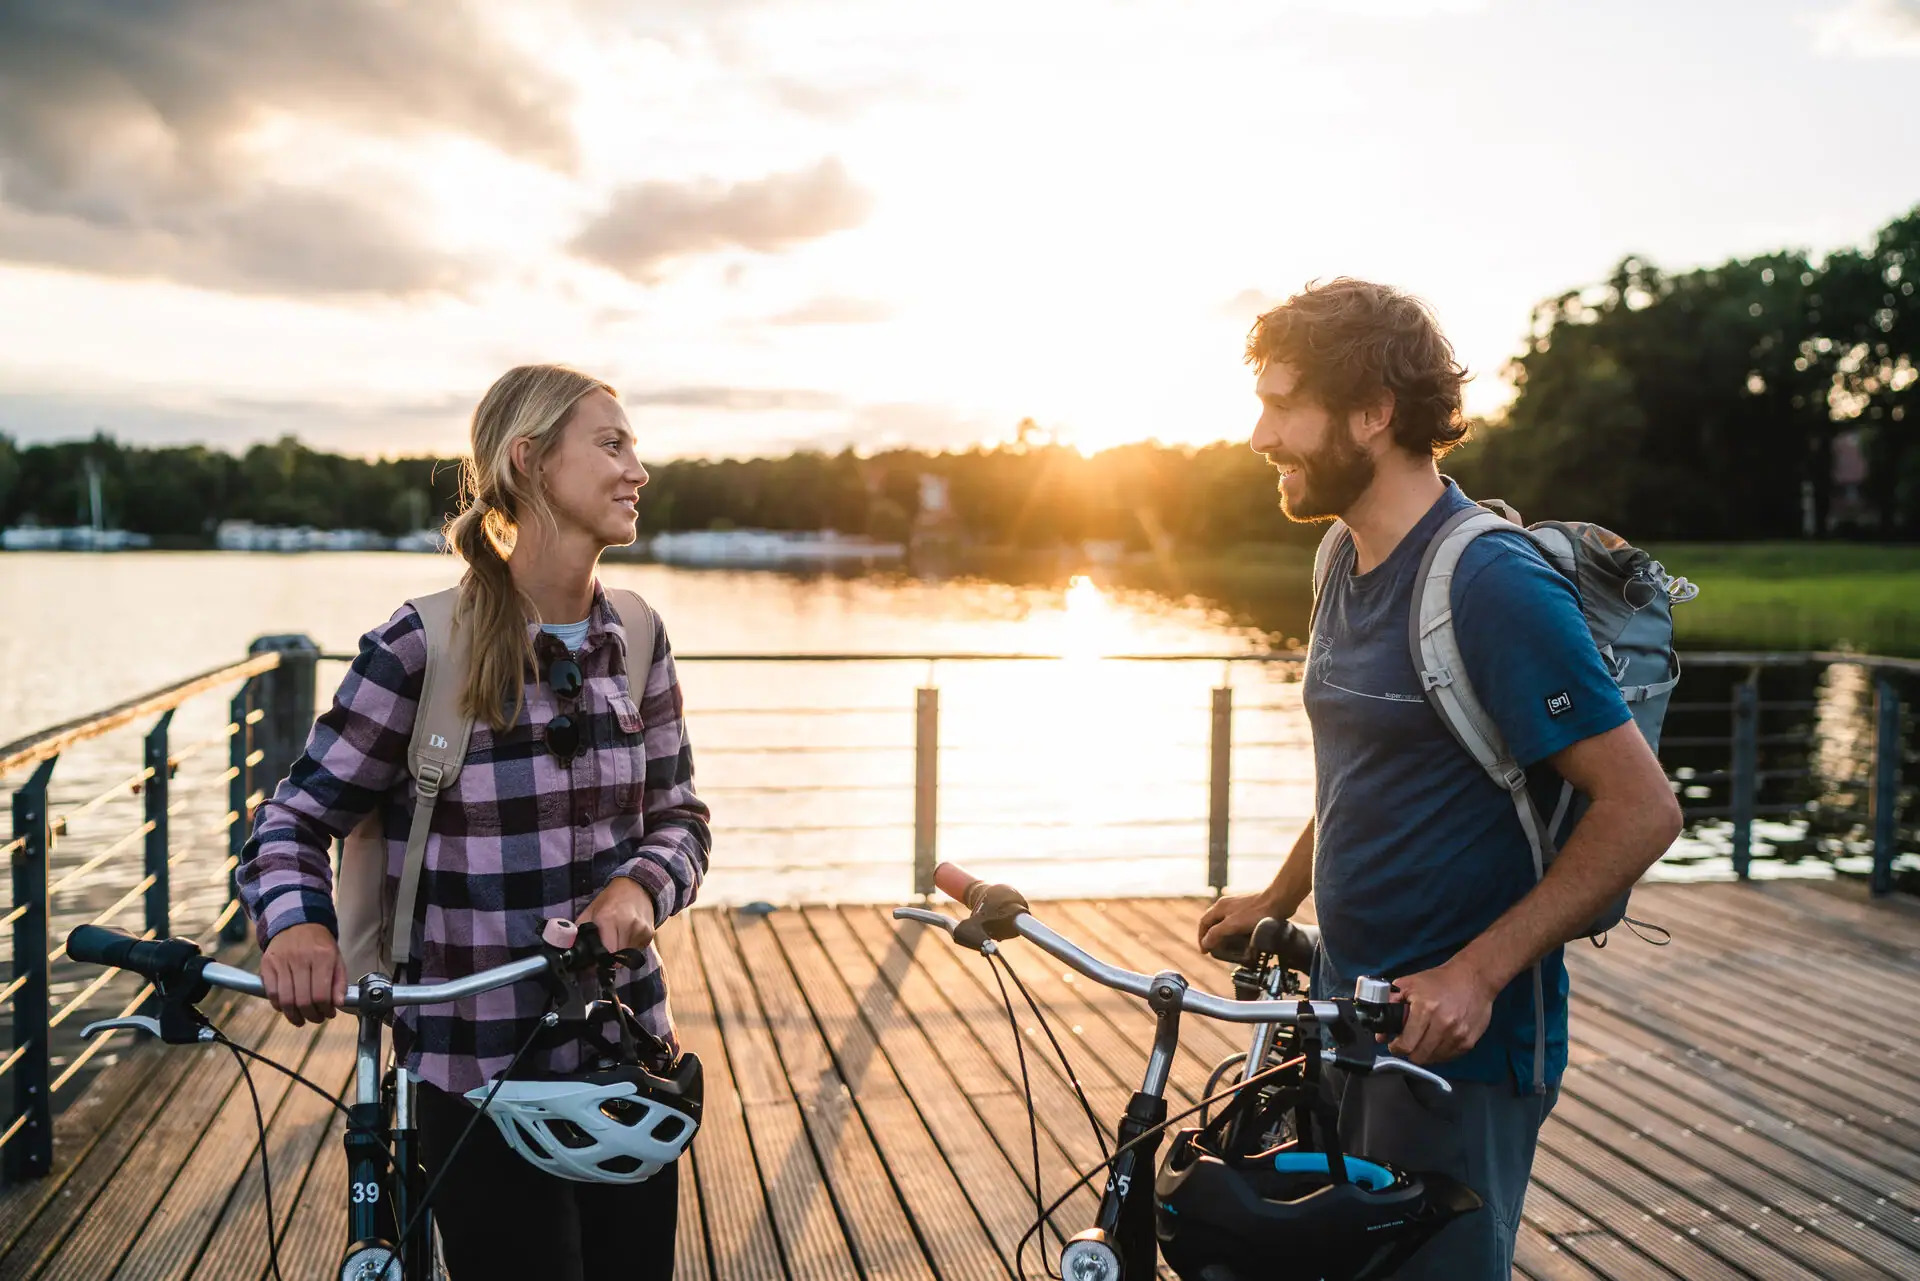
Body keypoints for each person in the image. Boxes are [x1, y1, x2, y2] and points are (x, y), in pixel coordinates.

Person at [1195, 280, 1682, 1278]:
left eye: (1284, 404)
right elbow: (1363, 774)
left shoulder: (1488, 583)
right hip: (1345, 1019)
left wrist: (1475, 974)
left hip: (1469, 1050)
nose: (1259, 435)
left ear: (1373, 414)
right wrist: (1278, 897)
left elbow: (1642, 808)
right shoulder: (1343, 556)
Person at [237, 364, 710, 1281]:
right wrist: (296, 923)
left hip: (626, 1065)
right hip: (477, 1074)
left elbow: (682, 820)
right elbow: (294, 816)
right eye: (611, 445)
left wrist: (638, 889)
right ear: (530, 462)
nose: (637, 471)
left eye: (635, 449)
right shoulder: (422, 645)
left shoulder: (641, 635)